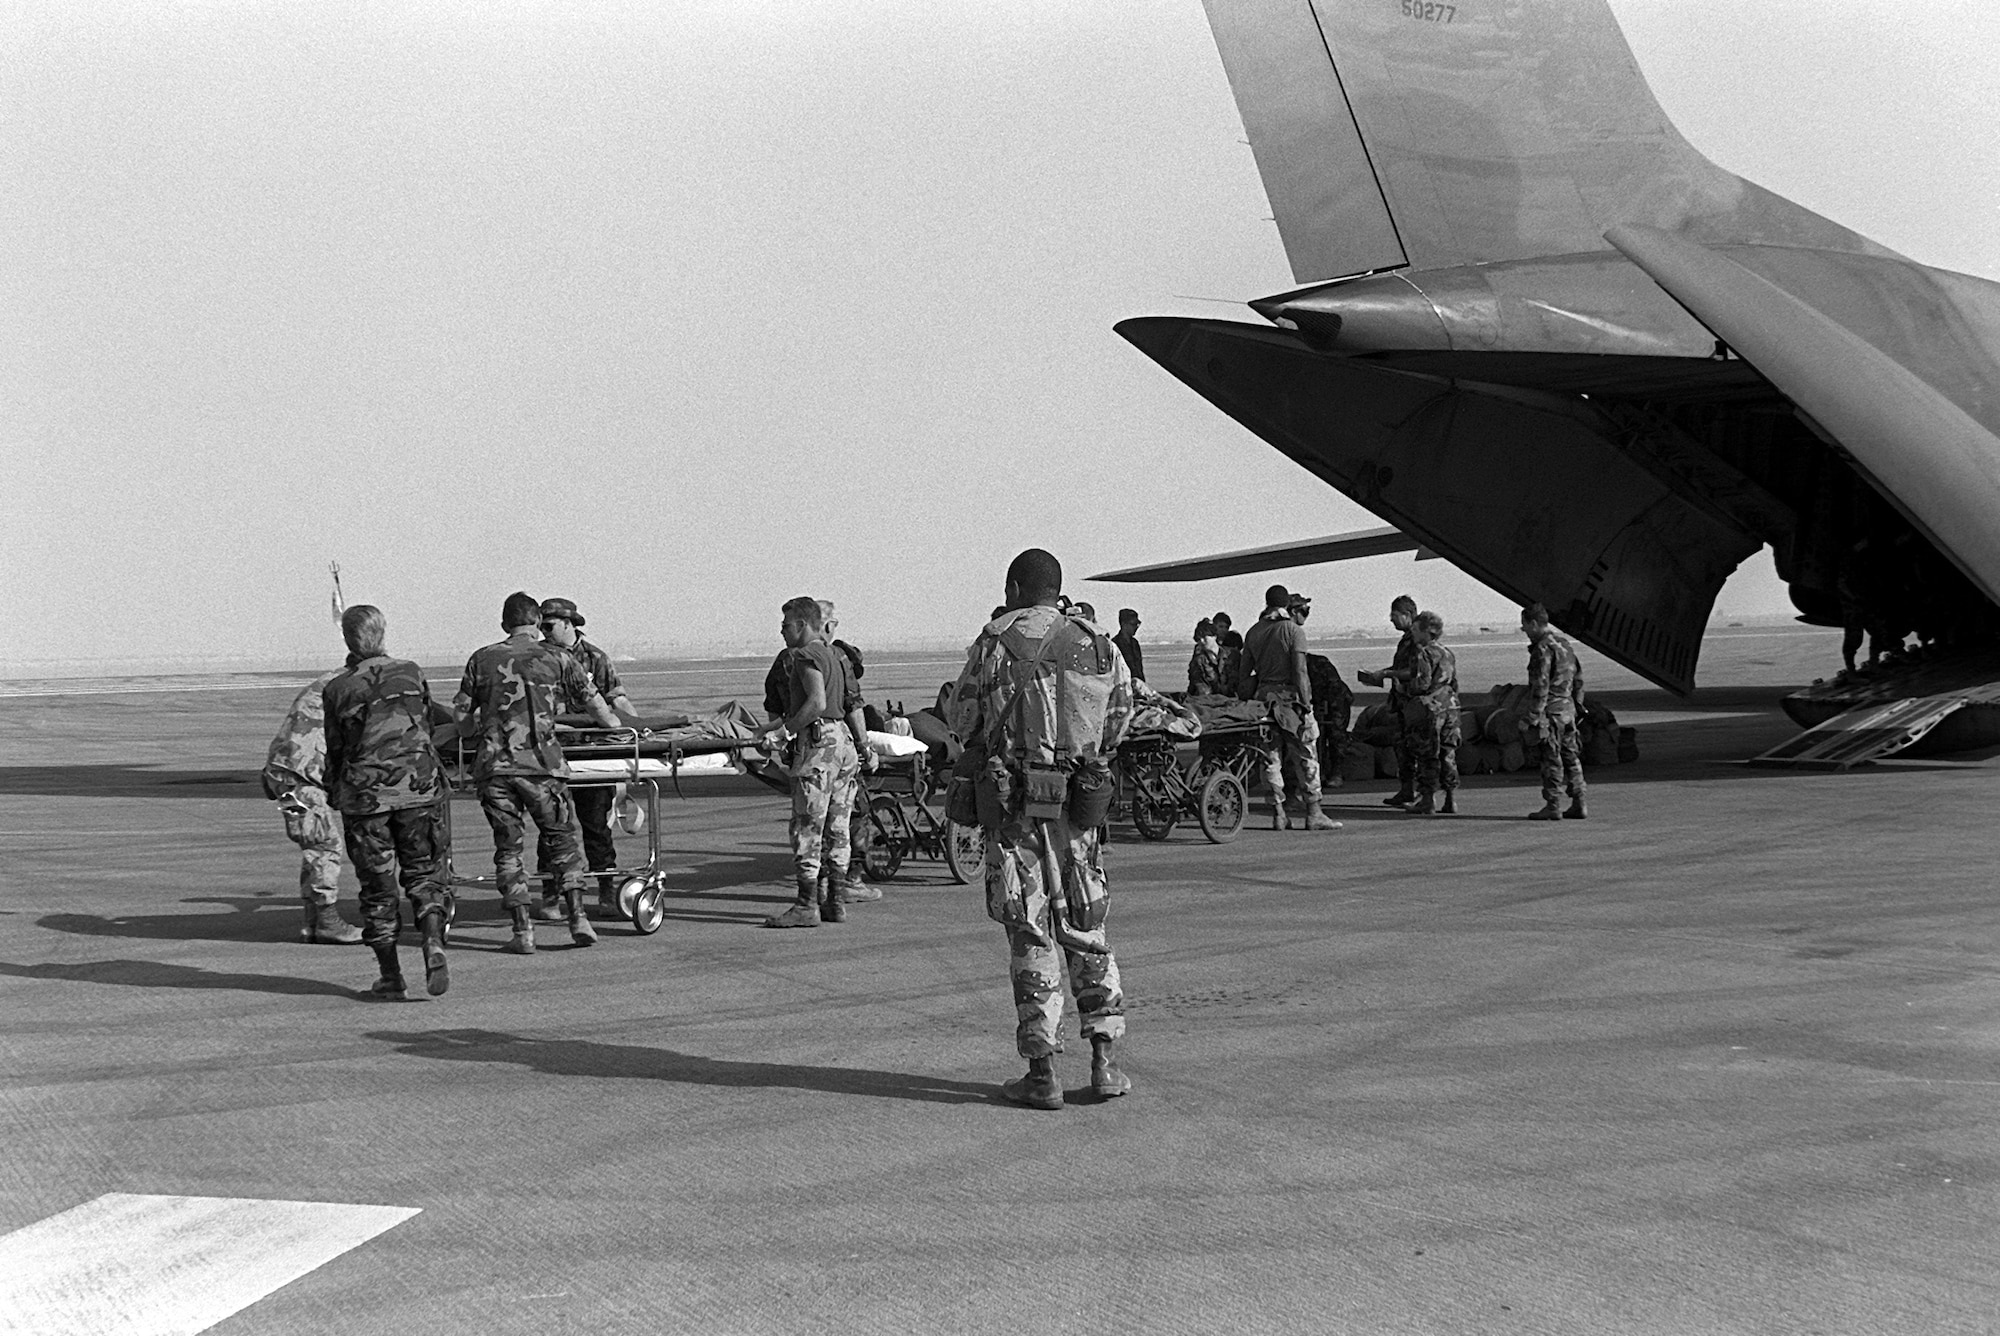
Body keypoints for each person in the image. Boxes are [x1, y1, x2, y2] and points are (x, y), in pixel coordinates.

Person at [951, 548, 1133, 1110]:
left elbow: (963, 720)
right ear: (1057, 590)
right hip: (1078, 812)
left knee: (1031, 934)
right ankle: (1105, 1063)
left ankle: (1042, 1073)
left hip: (1015, 814)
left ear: (1012, 587)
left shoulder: (993, 643)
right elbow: (1121, 717)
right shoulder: (1099, 643)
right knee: (1087, 926)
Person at [454, 591, 620, 954]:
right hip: (544, 768)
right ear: (536, 623)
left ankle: (522, 931)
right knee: (563, 843)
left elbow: (464, 724)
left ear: (504, 624)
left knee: (509, 850)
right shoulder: (558, 657)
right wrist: (619, 728)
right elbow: (602, 711)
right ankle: (579, 918)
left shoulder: (482, 659)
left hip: (496, 771)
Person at [321, 606, 451, 999]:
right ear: (382, 633)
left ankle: (391, 975)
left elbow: (336, 749)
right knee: (424, 874)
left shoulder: (339, 688)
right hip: (418, 790)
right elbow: (428, 724)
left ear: (348, 640)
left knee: (378, 889)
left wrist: (334, 792)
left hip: (366, 798)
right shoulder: (409, 672)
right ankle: (432, 941)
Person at [755, 597, 876, 927]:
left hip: (819, 747)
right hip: (842, 745)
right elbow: (844, 704)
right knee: (838, 829)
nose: (781, 632)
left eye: (785, 625)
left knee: (807, 827)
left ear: (802, 625)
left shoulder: (804, 655)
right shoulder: (834, 654)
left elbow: (816, 703)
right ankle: (836, 902)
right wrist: (769, 727)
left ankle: (807, 905)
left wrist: (782, 735)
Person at [537, 597, 636, 920]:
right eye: (541, 625)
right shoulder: (539, 657)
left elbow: (616, 700)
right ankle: (550, 895)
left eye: (549, 625)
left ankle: (605, 890)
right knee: (551, 828)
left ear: (569, 624)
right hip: (552, 755)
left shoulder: (595, 659)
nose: (544, 631)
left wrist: (637, 731)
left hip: (592, 754)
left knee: (596, 828)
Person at [261, 668, 363, 945]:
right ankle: (328, 921)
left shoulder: (329, 682)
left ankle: (313, 921)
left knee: (312, 844)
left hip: (284, 778)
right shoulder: (354, 688)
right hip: (300, 780)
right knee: (323, 845)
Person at [1236, 585, 1341, 831]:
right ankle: (1314, 812)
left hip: (1263, 701)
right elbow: (1300, 671)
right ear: (1286, 604)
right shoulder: (1293, 631)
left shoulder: (1253, 633)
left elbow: (1243, 676)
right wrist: (1306, 704)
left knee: (1270, 759)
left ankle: (1278, 813)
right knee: (1306, 754)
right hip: (1290, 700)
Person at [1386, 611, 1461, 815]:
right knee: (1448, 753)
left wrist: (1403, 690)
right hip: (1450, 707)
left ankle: (1427, 800)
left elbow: (1421, 684)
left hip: (1431, 710)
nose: (1414, 632)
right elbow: (1454, 683)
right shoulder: (1448, 653)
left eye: (1417, 629)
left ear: (1427, 631)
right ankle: (1451, 800)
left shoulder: (1424, 653)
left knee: (1428, 754)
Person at [1521, 602, 1587, 820]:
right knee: (1571, 757)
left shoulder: (1542, 649)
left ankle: (1553, 805)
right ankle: (1579, 802)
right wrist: (1577, 706)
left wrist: (1531, 718)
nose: (1526, 633)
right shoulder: (1565, 644)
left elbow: (1540, 687)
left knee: (1551, 759)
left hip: (1551, 713)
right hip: (1568, 711)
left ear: (1533, 624)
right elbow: (1578, 678)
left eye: (1525, 627)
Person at [1355, 595, 1419, 805]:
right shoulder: (1408, 639)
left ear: (1408, 615)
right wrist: (1382, 675)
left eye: (1395, 616)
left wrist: (1387, 674)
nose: (1391, 620)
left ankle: (1421, 793)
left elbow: (1414, 672)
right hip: (1403, 703)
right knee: (1402, 746)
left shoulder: (1418, 639)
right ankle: (1406, 790)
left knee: (1416, 747)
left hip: (1415, 704)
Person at [1187, 618, 1225, 696]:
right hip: (1207, 701)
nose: (1201, 641)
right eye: (1199, 639)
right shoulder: (1199, 661)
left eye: (1204, 637)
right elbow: (1202, 690)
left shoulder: (1232, 656)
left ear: (1214, 636)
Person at [1111, 608, 1146, 683]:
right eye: (1133, 624)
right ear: (1124, 624)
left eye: (1137, 624)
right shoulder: (1114, 644)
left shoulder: (1134, 643)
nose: (1136, 627)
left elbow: (1139, 668)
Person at [1211, 611, 1243, 690]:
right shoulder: (1209, 646)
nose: (1224, 630)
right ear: (1214, 626)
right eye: (1221, 626)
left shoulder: (1232, 642)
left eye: (1226, 627)